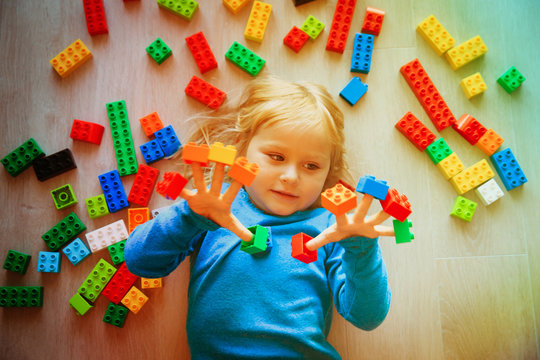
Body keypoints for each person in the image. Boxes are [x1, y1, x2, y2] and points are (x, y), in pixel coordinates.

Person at [125, 75, 393, 359]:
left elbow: (367, 317)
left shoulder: (331, 226)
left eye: (311, 165)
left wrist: (362, 250)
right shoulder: (213, 205)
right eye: (276, 157)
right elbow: (139, 261)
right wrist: (188, 216)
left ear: (329, 171)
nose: (290, 177)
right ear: (243, 148)